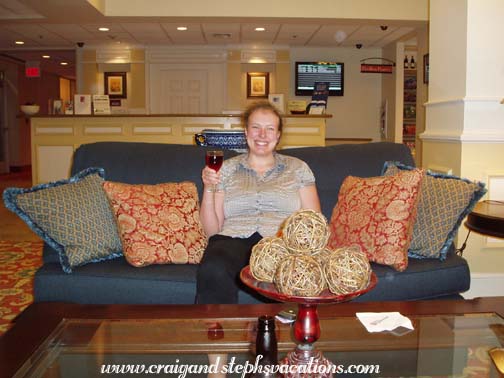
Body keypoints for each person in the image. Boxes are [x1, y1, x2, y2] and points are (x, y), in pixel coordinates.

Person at [196, 101, 321, 304]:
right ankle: (216, 331)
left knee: (291, 276)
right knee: (213, 267)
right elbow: (212, 230)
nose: (262, 135)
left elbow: (313, 222)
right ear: (246, 132)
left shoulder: (297, 168)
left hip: (281, 244)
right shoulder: (225, 169)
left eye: (269, 129)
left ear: (278, 135)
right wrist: (208, 187)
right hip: (232, 241)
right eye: (256, 128)